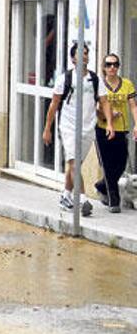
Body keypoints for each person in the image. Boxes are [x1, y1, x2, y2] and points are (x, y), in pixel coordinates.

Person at [42, 43, 114, 216]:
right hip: (68, 126)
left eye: (87, 53)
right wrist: (47, 129)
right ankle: (82, 200)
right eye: (81, 54)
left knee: (74, 164)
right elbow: (54, 104)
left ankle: (65, 196)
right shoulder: (65, 79)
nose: (85, 56)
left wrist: (110, 123)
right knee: (74, 163)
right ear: (73, 58)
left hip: (88, 128)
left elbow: (104, 102)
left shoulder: (95, 79)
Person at [93, 53, 137, 213]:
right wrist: (108, 115)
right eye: (109, 64)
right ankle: (114, 199)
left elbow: (133, 105)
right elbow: (95, 110)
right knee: (108, 165)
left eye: (115, 64)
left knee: (120, 164)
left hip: (121, 130)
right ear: (104, 67)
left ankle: (101, 185)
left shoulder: (126, 84)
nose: (112, 68)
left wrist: (136, 124)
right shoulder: (99, 84)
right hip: (103, 129)